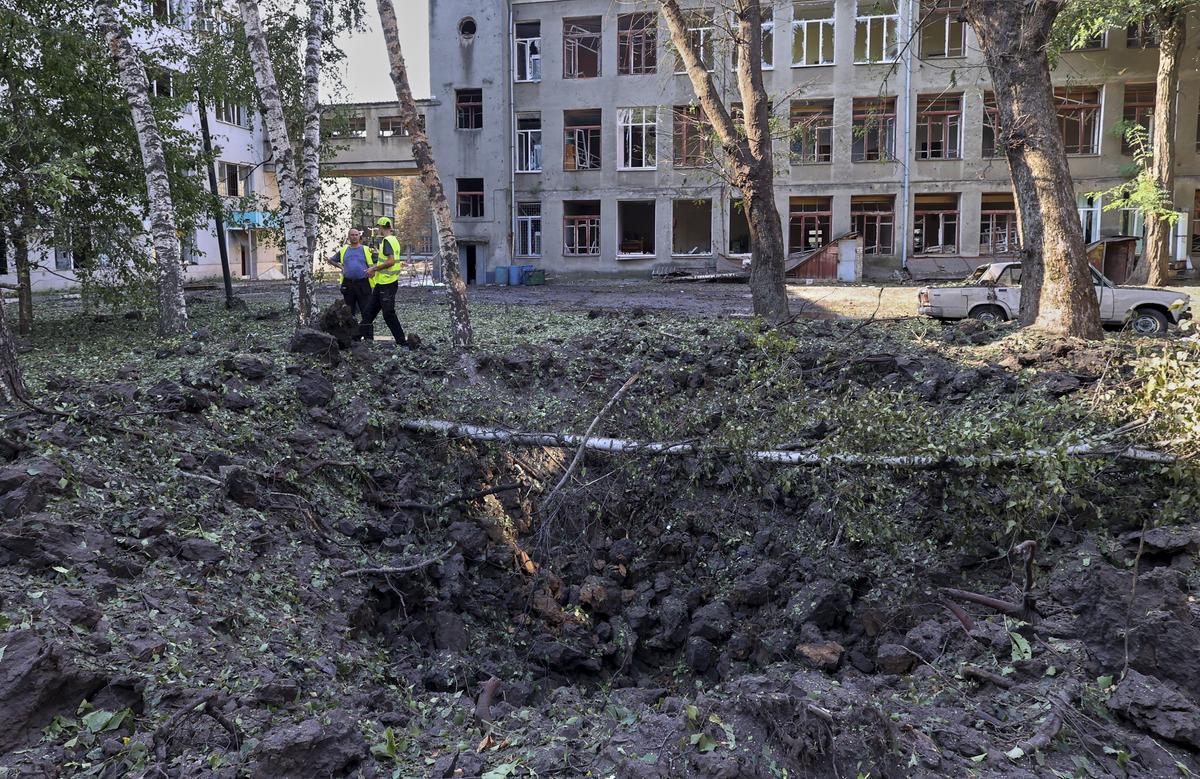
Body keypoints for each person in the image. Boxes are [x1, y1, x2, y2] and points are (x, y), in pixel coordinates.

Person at [362, 216, 408, 346]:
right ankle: (360, 340)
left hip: (387, 284)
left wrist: (373, 269)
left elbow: (391, 261)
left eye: (378, 227)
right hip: (382, 283)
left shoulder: (387, 240)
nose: (378, 230)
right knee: (368, 313)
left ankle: (402, 342)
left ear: (381, 227)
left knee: (388, 314)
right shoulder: (394, 240)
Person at [326, 228, 374, 340]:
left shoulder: (366, 250)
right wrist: (341, 267)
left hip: (363, 284)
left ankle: (368, 338)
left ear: (359, 236)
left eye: (356, 234)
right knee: (349, 312)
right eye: (352, 235)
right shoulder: (344, 250)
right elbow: (331, 260)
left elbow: (377, 263)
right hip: (348, 284)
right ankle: (352, 337)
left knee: (366, 311)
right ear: (349, 237)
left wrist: (373, 270)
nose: (354, 237)